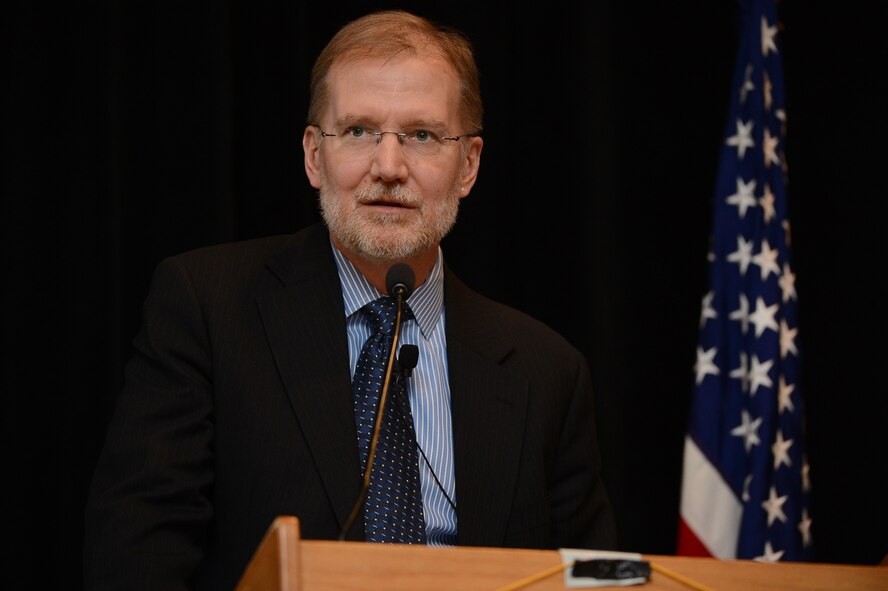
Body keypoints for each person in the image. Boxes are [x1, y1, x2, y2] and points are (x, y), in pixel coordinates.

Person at [84, 9, 616, 590]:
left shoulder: (547, 372)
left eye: (421, 135)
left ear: (468, 165)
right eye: (360, 131)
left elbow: (591, 580)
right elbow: (135, 558)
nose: (388, 168)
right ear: (315, 155)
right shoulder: (209, 309)